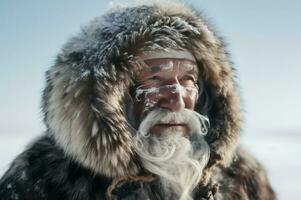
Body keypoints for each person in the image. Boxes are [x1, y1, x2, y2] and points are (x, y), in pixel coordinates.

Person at [0, 2, 276, 200]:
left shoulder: (242, 175)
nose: (176, 99)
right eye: (154, 80)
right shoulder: (42, 178)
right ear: (102, 99)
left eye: (189, 80)